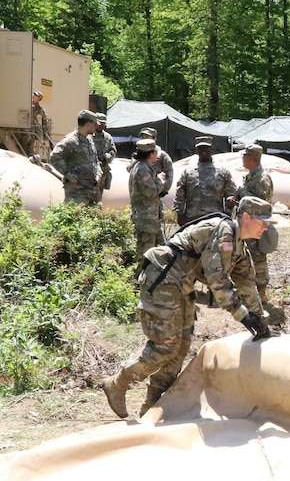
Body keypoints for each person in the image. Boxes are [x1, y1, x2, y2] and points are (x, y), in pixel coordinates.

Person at [101, 196, 275, 419]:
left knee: (181, 346)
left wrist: (260, 320)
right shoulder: (224, 233)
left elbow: (247, 283)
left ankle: (153, 406)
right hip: (164, 278)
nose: (266, 227)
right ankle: (117, 383)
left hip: (181, 284)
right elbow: (217, 280)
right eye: (263, 221)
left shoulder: (239, 246)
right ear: (247, 217)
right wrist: (242, 315)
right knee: (166, 346)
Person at [235, 144, 278, 310]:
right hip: (247, 223)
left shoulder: (262, 179)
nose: (243, 159)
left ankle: (261, 292)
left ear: (251, 158)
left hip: (256, 223)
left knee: (258, 258)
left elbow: (260, 203)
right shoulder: (251, 177)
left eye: (245, 156)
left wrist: (241, 197)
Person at [173, 136, 236, 225]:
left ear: (212, 149)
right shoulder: (188, 171)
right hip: (192, 219)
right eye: (200, 149)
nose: (203, 151)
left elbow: (231, 195)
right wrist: (180, 214)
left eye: (206, 148)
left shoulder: (222, 171)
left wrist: (227, 213)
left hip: (216, 219)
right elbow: (180, 194)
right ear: (196, 150)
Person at [49, 109, 102, 205]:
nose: (96, 128)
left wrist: (98, 174)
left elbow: (95, 160)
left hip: (92, 192)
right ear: (88, 124)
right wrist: (69, 176)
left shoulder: (89, 141)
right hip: (77, 193)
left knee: (93, 218)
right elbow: (54, 157)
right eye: (95, 125)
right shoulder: (71, 141)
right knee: (76, 217)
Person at [128, 137, 167, 262]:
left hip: (150, 219)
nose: (157, 154)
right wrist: (161, 181)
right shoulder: (143, 169)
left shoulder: (143, 167)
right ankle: (139, 279)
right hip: (146, 219)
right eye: (155, 152)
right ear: (151, 154)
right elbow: (150, 192)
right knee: (145, 255)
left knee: (162, 250)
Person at [138, 127, 174, 196]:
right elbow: (130, 169)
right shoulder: (138, 155)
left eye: (147, 137)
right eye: (142, 137)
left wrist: (164, 189)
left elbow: (169, 173)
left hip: (154, 191)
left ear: (154, 139)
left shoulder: (162, 155)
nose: (144, 139)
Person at [93, 112, 118, 192]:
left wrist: (109, 156)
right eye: (100, 123)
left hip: (103, 169)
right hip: (91, 169)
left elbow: (113, 150)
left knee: (99, 193)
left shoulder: (107, 137)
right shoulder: (89, 135)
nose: (101, 125)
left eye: (103, 123)